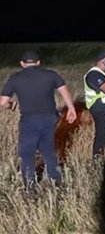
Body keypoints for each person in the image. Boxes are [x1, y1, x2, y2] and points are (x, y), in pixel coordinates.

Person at [0, 51, 77, 188]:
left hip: (29, 121)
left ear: (22, 63)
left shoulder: (15, 78)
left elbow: (2, 101)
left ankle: (30, 185)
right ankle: (56, 181)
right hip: (50, 119)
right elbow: (65, 92)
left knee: (27, 153)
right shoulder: (51, 74)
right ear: (38, 62)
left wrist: (11, 105)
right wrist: (71, 109)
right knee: (48, 149)